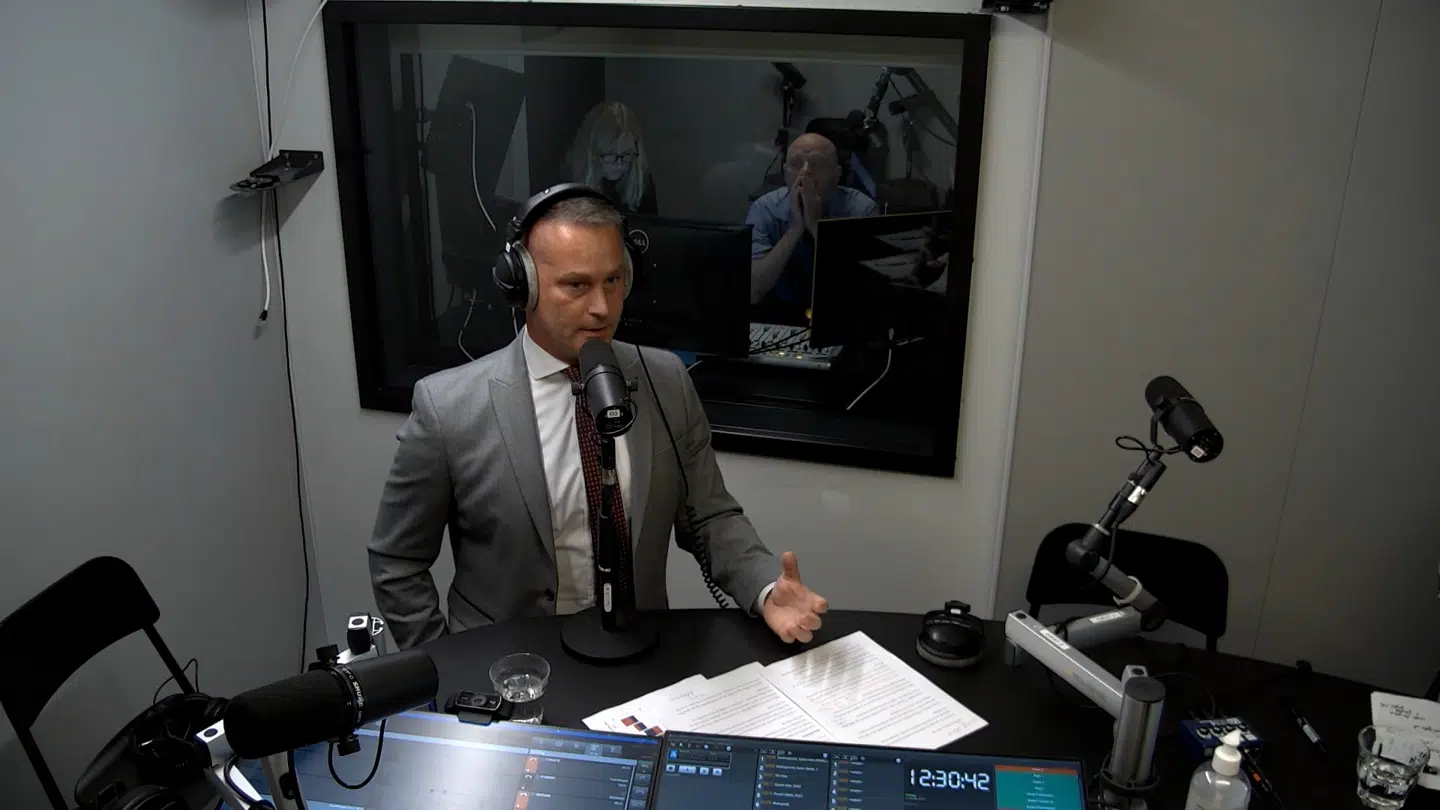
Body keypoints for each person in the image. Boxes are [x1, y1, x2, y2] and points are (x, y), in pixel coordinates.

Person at [369, 188, 828, 650]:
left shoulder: (666, 380)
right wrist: (444, 664)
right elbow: (397, 561)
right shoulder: (448, 406)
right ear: (522, 286)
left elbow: (709, 517)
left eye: (612, 280)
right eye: (576, 285)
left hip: (638, 655)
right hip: (508, 667)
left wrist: (764, 586)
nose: (602, 307)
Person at [746, 133, 880, 323]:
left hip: (843, 313)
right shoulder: (765, 208)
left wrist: (817, 227)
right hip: (780, 312)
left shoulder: (861, 209)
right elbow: (753, 290)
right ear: (785, 172)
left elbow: (861, 288)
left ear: (837, 174)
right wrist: (795, 229)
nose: (805, 172)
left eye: (817, 164)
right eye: (796, 163)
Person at [565, 101, 658, 215]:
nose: (619, 164)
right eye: (611, 154)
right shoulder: (570, 185)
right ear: (592, 153)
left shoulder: (640, 181)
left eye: (627, 154)